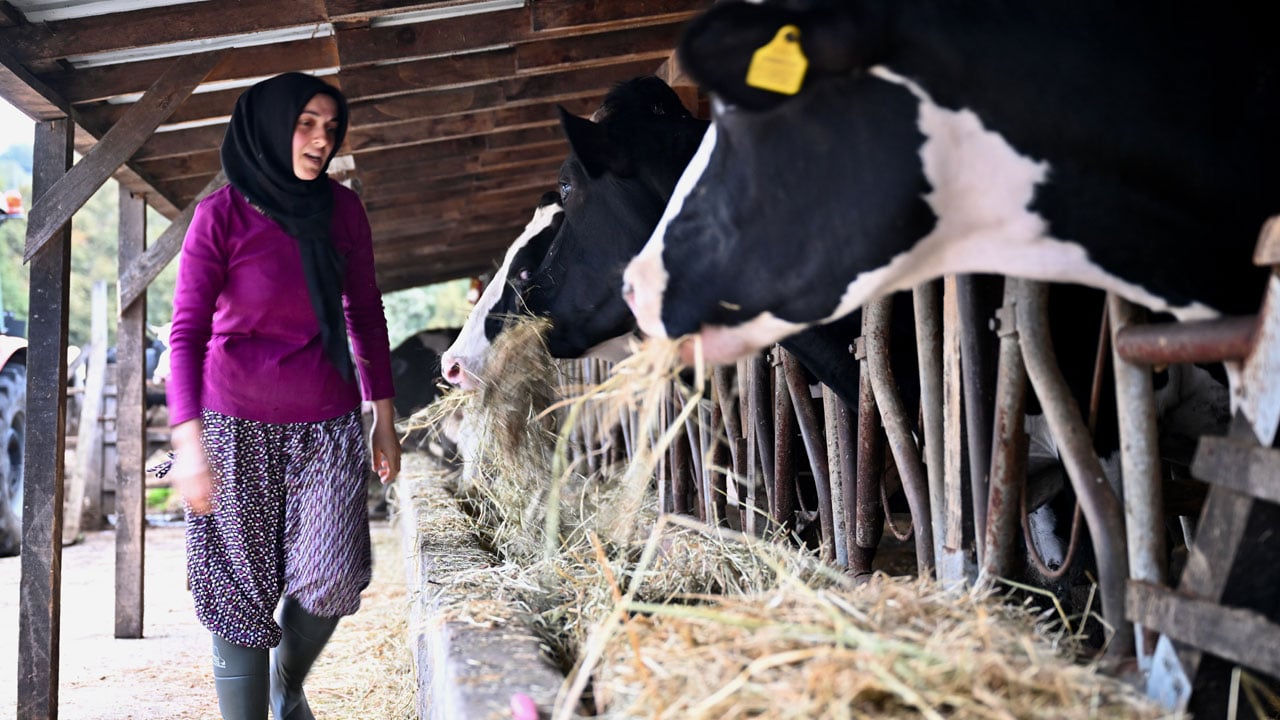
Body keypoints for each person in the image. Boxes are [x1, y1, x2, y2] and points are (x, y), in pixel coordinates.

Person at [162, 72, 401, 720]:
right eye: (306, 124)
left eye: (330, 127)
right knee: (239, 592)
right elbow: (184, 336)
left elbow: (365, 314)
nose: (321, 139)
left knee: (331, 576)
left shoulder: (342, 211)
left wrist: (384, 416)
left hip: (326, 424)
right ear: (271, 127)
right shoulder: (221, 218)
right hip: (232, 424)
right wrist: (188, 443)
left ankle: (284, 686)